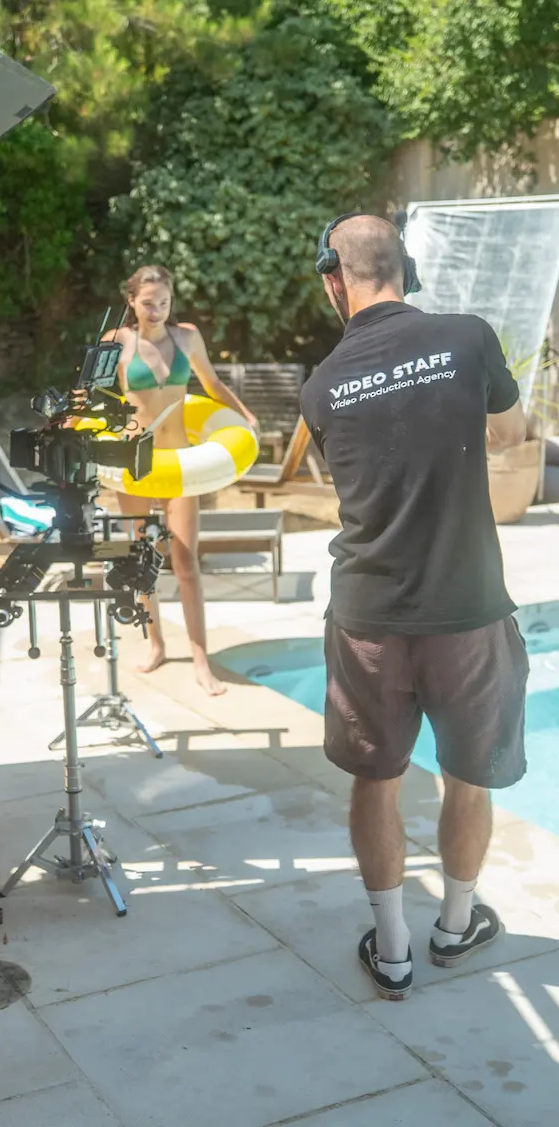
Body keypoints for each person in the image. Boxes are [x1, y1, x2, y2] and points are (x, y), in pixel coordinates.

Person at [300, 212, 529, 1000]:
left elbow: (361, 479)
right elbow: (511, 429)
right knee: (468, 778)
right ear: (406, 267)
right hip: (465, 607)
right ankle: (456, 925)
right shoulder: (468, 338)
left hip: (368, 613)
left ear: (334, 277)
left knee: (378, 779)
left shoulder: (322, 386)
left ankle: (392, 949)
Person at [105, 265, 258, 696]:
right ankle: (154, 643)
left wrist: (245, 416)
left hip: (179, 463)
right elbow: (93, 395)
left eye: (164, 302)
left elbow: (210, 384)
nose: (156, 310)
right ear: (131, 300)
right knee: (141, 563)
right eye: (148, 302)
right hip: (135, 465)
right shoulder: (116, 342)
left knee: (185, 563)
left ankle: (200, 660)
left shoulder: (187, 337)